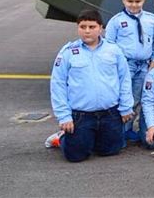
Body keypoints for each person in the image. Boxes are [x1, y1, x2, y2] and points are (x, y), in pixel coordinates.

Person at [50, 8, 133, 162]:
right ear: (78, 28)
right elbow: (58, 84)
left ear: (101, 28)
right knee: (76, 156)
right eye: (83, 27)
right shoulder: (68, 52)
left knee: (111, 150)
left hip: (109, 113)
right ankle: (62, 137)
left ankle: (89, 138)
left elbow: (124, 79)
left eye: (92, 27)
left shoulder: (113, 50)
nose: (87, 31)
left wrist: (126, 107)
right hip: (81, 115)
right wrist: (64, 117)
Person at [104, 0, 154, 141]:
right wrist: (116, 65)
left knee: (138, 98)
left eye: (137, 1)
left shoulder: (152, 20)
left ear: (144, 0)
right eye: (130, 1)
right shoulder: (116, 21)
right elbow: (108, 45)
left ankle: (128, 129)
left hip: (145, 65)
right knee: (123, 98)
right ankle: (118, 132)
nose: (134, 5)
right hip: (125, 65)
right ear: (123, 0)